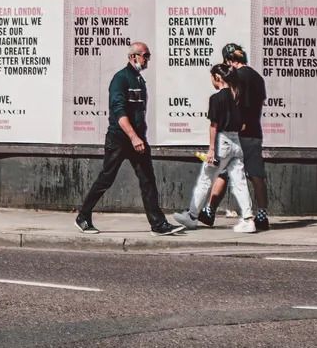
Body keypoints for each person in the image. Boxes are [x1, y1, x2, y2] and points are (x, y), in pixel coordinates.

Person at [74, 41, 183, 236]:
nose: (147, 59)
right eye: (145, 55)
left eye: (148, 55)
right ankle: (83, 216)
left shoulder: (139, 80)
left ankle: (158, 225)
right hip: (119, 139)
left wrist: (139, 136)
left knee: (148, 180)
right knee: (106, 179)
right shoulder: (121, 79)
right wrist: (133, 137)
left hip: (137, 139)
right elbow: (119, 112)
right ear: (134, 57)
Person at [174, 63, 256, 233]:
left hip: (222, 142)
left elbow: (213, 126)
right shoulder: (238, 97)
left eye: (212, 77)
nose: (211, 80)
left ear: (217, 78)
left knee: (205, 179)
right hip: (236, 142)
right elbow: (243, 125)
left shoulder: (216, 98)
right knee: (239, 182)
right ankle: (248, 220)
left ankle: (191, 216)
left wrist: (212, 149)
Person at [203, 42, 270, 231]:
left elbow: (231, 103)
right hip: (254, 133)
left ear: (229, 60)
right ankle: (262, 215)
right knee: (256, 175)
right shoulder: (258, 78)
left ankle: (209, 211)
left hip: (235, 133)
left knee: (223, 172)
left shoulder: (235, 77)